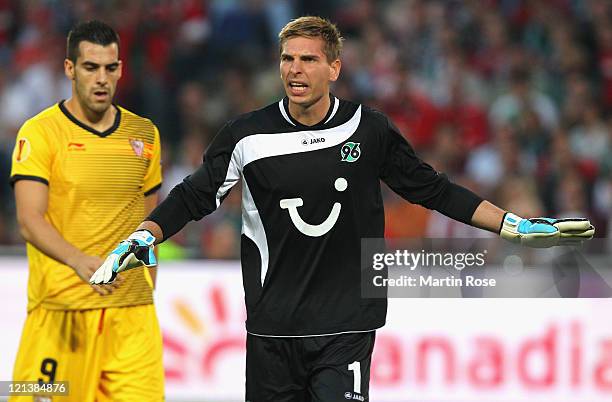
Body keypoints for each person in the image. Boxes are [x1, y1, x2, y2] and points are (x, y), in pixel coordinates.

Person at [91, 16, 593, 401]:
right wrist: (145, 235)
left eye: (308, 59)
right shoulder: (246, 136)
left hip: (347, 323)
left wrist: (515, 226)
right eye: (287, 59)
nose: (295, 69)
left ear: (334, 68)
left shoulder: (368, 129)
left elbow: (432, 190)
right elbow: (195, 195)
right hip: (272, 329)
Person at [10, 20, 164, 401]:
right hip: (60, 315)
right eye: (90, 67)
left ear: (120, 70)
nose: (101, 79)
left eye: (110, 68)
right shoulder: (40, 132)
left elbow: (150, 225)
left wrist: (147, 291)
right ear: (69, 69)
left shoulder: (145, 134)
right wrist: (78, 261)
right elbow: (29, 220)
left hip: (132, 321)